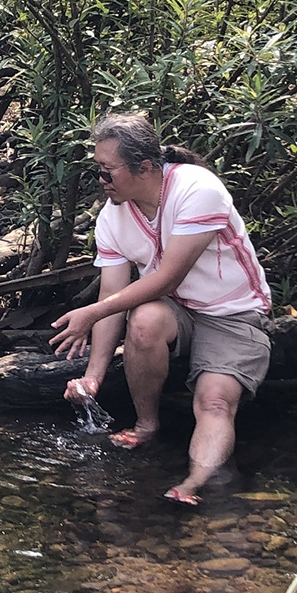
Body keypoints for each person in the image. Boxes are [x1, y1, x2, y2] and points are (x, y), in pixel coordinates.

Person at [50, 112, 273, 504]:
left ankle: (195, 484)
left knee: (215, 400)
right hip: (177, 311)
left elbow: (167, 277)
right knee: (145, 320)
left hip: (232, 313)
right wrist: (93, 377)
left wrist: (90, 314)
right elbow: (113, 298)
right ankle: (146, 425)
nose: (101, 182)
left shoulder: (197, 189)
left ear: (146, 168)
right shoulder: (112, 218)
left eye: (107, 172)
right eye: (97, 170)